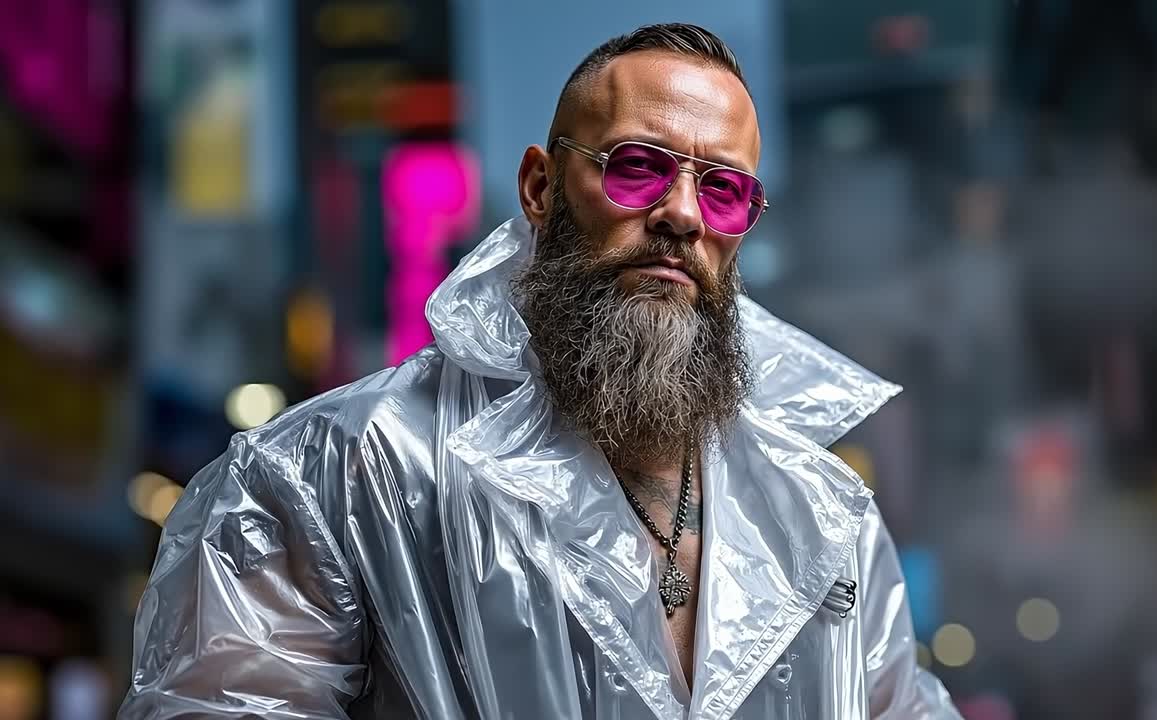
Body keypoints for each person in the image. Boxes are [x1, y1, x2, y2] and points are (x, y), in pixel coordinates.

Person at [119, 23, 960, 719]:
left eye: (724, 190)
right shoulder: (333, 475)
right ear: (540, 187)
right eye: (638, 167)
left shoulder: (822, 516)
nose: (680, 214)